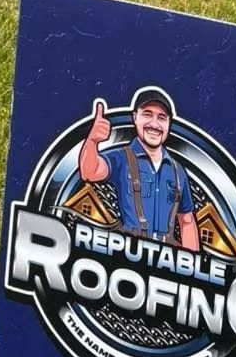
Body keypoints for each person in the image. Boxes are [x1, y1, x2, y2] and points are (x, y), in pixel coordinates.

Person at [78, 87, 200, 251]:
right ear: (135, 117)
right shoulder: (122, 158)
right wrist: (92, 141)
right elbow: (89, 172)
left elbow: (186, 221)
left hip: (168, 260)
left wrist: (191, 268)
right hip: (131, 255)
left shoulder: (178, 172)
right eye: (147, 114)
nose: (154, 124)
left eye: (161, 118)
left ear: (169, 124)